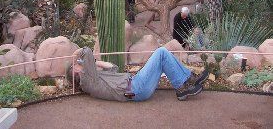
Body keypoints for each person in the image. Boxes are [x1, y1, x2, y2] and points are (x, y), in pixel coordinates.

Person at [67, 47, 208, 102]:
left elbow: (113, 67)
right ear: (76, 72)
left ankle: (185, 85)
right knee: (161, 53)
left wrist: (96, 62)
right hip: (135, 88)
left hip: (135, 84)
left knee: (162, 58)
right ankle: (185, 83)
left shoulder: (95, 79)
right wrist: (77, 55)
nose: (79, 64)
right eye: (76, 65)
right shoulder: (87, 82)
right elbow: (87, 52)